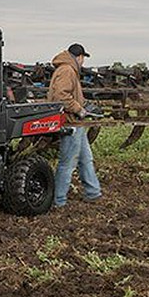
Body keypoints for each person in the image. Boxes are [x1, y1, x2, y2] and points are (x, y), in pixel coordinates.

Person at [47, 43, 102, 207]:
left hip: (77, 122)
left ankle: (93, 192)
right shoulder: (67, 70)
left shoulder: (69, 69)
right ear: (79, 57)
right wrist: (79, 109)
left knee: (86, 159)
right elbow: (61, 96)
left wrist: (86, 105)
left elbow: (72, 95)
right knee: (67, 163)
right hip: (71, 122)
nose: (83, 62)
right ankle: (58, 200)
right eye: (83, 58)